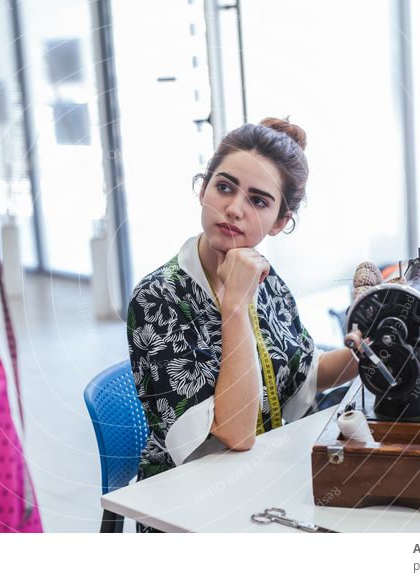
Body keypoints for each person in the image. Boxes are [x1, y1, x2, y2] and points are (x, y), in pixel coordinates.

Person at [126, 117, 364, 486]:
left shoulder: (267, 280)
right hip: (183, 499)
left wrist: (372, 348)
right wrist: (235, 307)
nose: (235, 208)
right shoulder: (159, 298)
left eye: (257, 200)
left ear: (279, 222)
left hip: (260, 478)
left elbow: (308, 372)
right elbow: (235, 434)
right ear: (203, 190)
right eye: (224, 187)